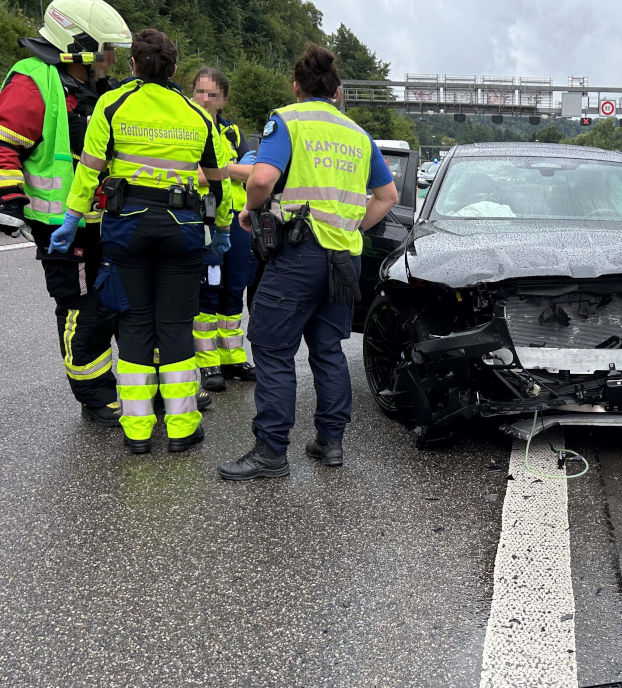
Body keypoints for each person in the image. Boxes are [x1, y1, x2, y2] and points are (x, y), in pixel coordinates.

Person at [217, 44, 398, 480]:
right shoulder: (358, 135)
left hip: (299, 254)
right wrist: (352, 228)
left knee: (273, 349)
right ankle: (330, 442)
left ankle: (271, 452)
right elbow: (387, 197)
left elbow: (261, 176)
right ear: (337, 91)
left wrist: (250, 211)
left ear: (296, 87)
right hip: (343, 259)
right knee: (327, 349)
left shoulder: (288, 120)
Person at [50, 28, 233, 455]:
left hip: (126, 230)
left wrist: (72, 219)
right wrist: (221, 229)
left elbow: (90, 170)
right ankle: (183, 428)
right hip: (183, 233)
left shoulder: (112, 105)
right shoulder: (196, 114)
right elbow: (220, 183)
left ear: (133, 64)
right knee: (174, 329)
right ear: (173, 68)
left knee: (133, 326)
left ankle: (136, 433)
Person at [0, 0, 132, 426]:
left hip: (108, 222)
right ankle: (96, 397)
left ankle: (136, 390)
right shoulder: (36, 79)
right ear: (77, 44)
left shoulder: (98, 87)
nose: (111, 59)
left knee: (122, 306)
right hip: (64, 228)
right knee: (84, 310)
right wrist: (11, 202)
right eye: (106, 49)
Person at [190, 67, 257, 393]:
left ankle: (232, 357)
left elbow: (252, 172)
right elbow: (190, 175)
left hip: (235, 221)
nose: (205, 98)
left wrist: (222, 169)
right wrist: (226, 172)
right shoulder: (186, 127)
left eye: (212, 94)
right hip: (205, 221)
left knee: (234, 288)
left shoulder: (231, 132)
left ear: (223, 99)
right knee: (209, 289)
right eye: (200, 91)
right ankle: (207, 362)